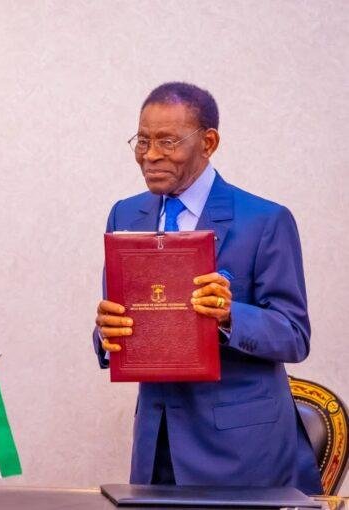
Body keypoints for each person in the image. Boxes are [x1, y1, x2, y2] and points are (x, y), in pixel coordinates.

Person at [93, 82, 322, 494]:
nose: (150, 155)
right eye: (142, 141)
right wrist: (106, 333)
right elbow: (123, 314)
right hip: (156, 444)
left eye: (167, 141)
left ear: (209, 142)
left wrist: (231, 315)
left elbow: (295, 336)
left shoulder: (265, 221)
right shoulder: (125, 214)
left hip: (242, 451)